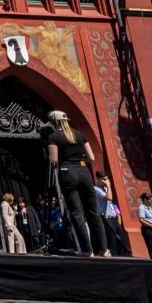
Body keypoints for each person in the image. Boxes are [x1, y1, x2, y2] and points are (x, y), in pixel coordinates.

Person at [44, 110, 107, 256]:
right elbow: (91, 157)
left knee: (77, 213)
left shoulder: (54, 137)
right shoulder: (79, 134)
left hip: (67, 172)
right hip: (84, 171)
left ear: (54, 123)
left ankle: (87, 250)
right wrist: (78, 160)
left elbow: (54, 161)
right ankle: (103, 249)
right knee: (93, 211)